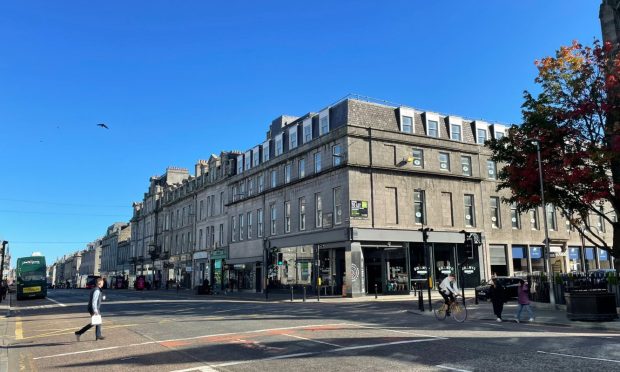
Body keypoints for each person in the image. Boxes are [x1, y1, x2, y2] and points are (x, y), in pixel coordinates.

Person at [75, 277, 105, 341]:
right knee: (97, 321)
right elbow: (94, 301)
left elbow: (95, 299)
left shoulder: (96, 289)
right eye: (102, 282)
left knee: (95, 322)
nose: (103, 283)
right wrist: (95, 310)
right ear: (99, 283)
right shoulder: (97, 290)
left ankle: (79, 333)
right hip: (93, 308)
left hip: (92, 308)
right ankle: (98, 335)